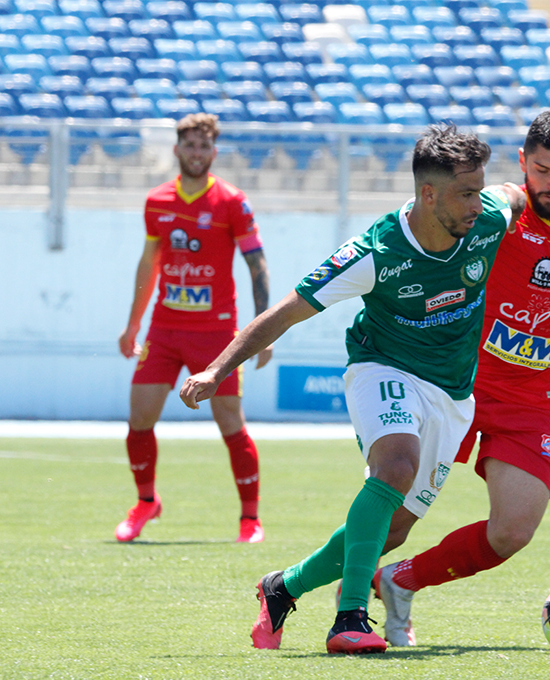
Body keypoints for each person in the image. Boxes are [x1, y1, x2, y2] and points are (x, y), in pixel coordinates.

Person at [178, 124, 526, 654]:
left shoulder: (489, 218)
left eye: (480, 190)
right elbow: (285, 312)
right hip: (382, 368)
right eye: (465, 193)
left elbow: (520, 196)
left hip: (453, 394)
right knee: (395, 467)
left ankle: (283, 587)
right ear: (427, 194)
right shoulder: (375, 251)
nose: (477, 204)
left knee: (393, 531)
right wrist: (216, 371)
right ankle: (350, 619)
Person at [373, 110, 550, 646]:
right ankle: (310, 592)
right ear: (521, 162)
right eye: (539, 170)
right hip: (459, 385)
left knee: (513, 530)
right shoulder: (494, 211)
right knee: (392, 518)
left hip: (533, 401)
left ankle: (400, 581)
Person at [115, 113, 272, 544]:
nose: (197, 153)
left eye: (204, 147)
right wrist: (133, 324)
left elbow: (256, 264)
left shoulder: (231, 202)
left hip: (217, 334)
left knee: (230, 424)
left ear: (213, 152)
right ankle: (146, 502)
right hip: (164, 329)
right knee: (139, 417)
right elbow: (149, 264)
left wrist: (262, 331)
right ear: (177, 150)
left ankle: (249, 519)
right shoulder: (158, 201)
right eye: (190, 146)